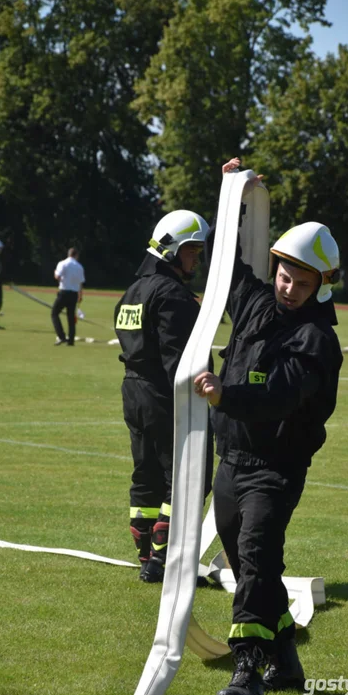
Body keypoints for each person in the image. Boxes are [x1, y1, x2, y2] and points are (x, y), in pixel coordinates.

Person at [194, 158, 343, 695]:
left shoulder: (316, 340)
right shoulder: (257, 300)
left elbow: (279, 395)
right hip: (231, 459)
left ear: (321, 285)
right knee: (250, 567)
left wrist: (223, 395)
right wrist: (231, 197)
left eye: (302, 282)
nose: (288, 288)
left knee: (256, 556)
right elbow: (223, 270)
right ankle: (286, 659)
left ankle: (247, 677)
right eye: (284, 274)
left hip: (275, 469)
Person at [114, 210, 214, 583]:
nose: (197, 260)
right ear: (172, 250)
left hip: (134, 393)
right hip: (166, 397)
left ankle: (146, 558)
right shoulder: (172, 294)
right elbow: (181, 361)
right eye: (192, 251)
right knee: (187, 478)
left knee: (146, 477)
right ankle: (165, 562)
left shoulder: (132, 291)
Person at [51, 247, 85, 346]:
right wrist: (80, 295)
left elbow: (57, 276)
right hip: (74, 294)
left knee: (54, 313)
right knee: (71, 317)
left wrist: (55, 273)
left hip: (64, 292)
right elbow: (80, 283)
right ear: (76, 255)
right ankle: (71, 340)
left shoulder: (62, 264)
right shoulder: (79, 266)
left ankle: (61, 336)